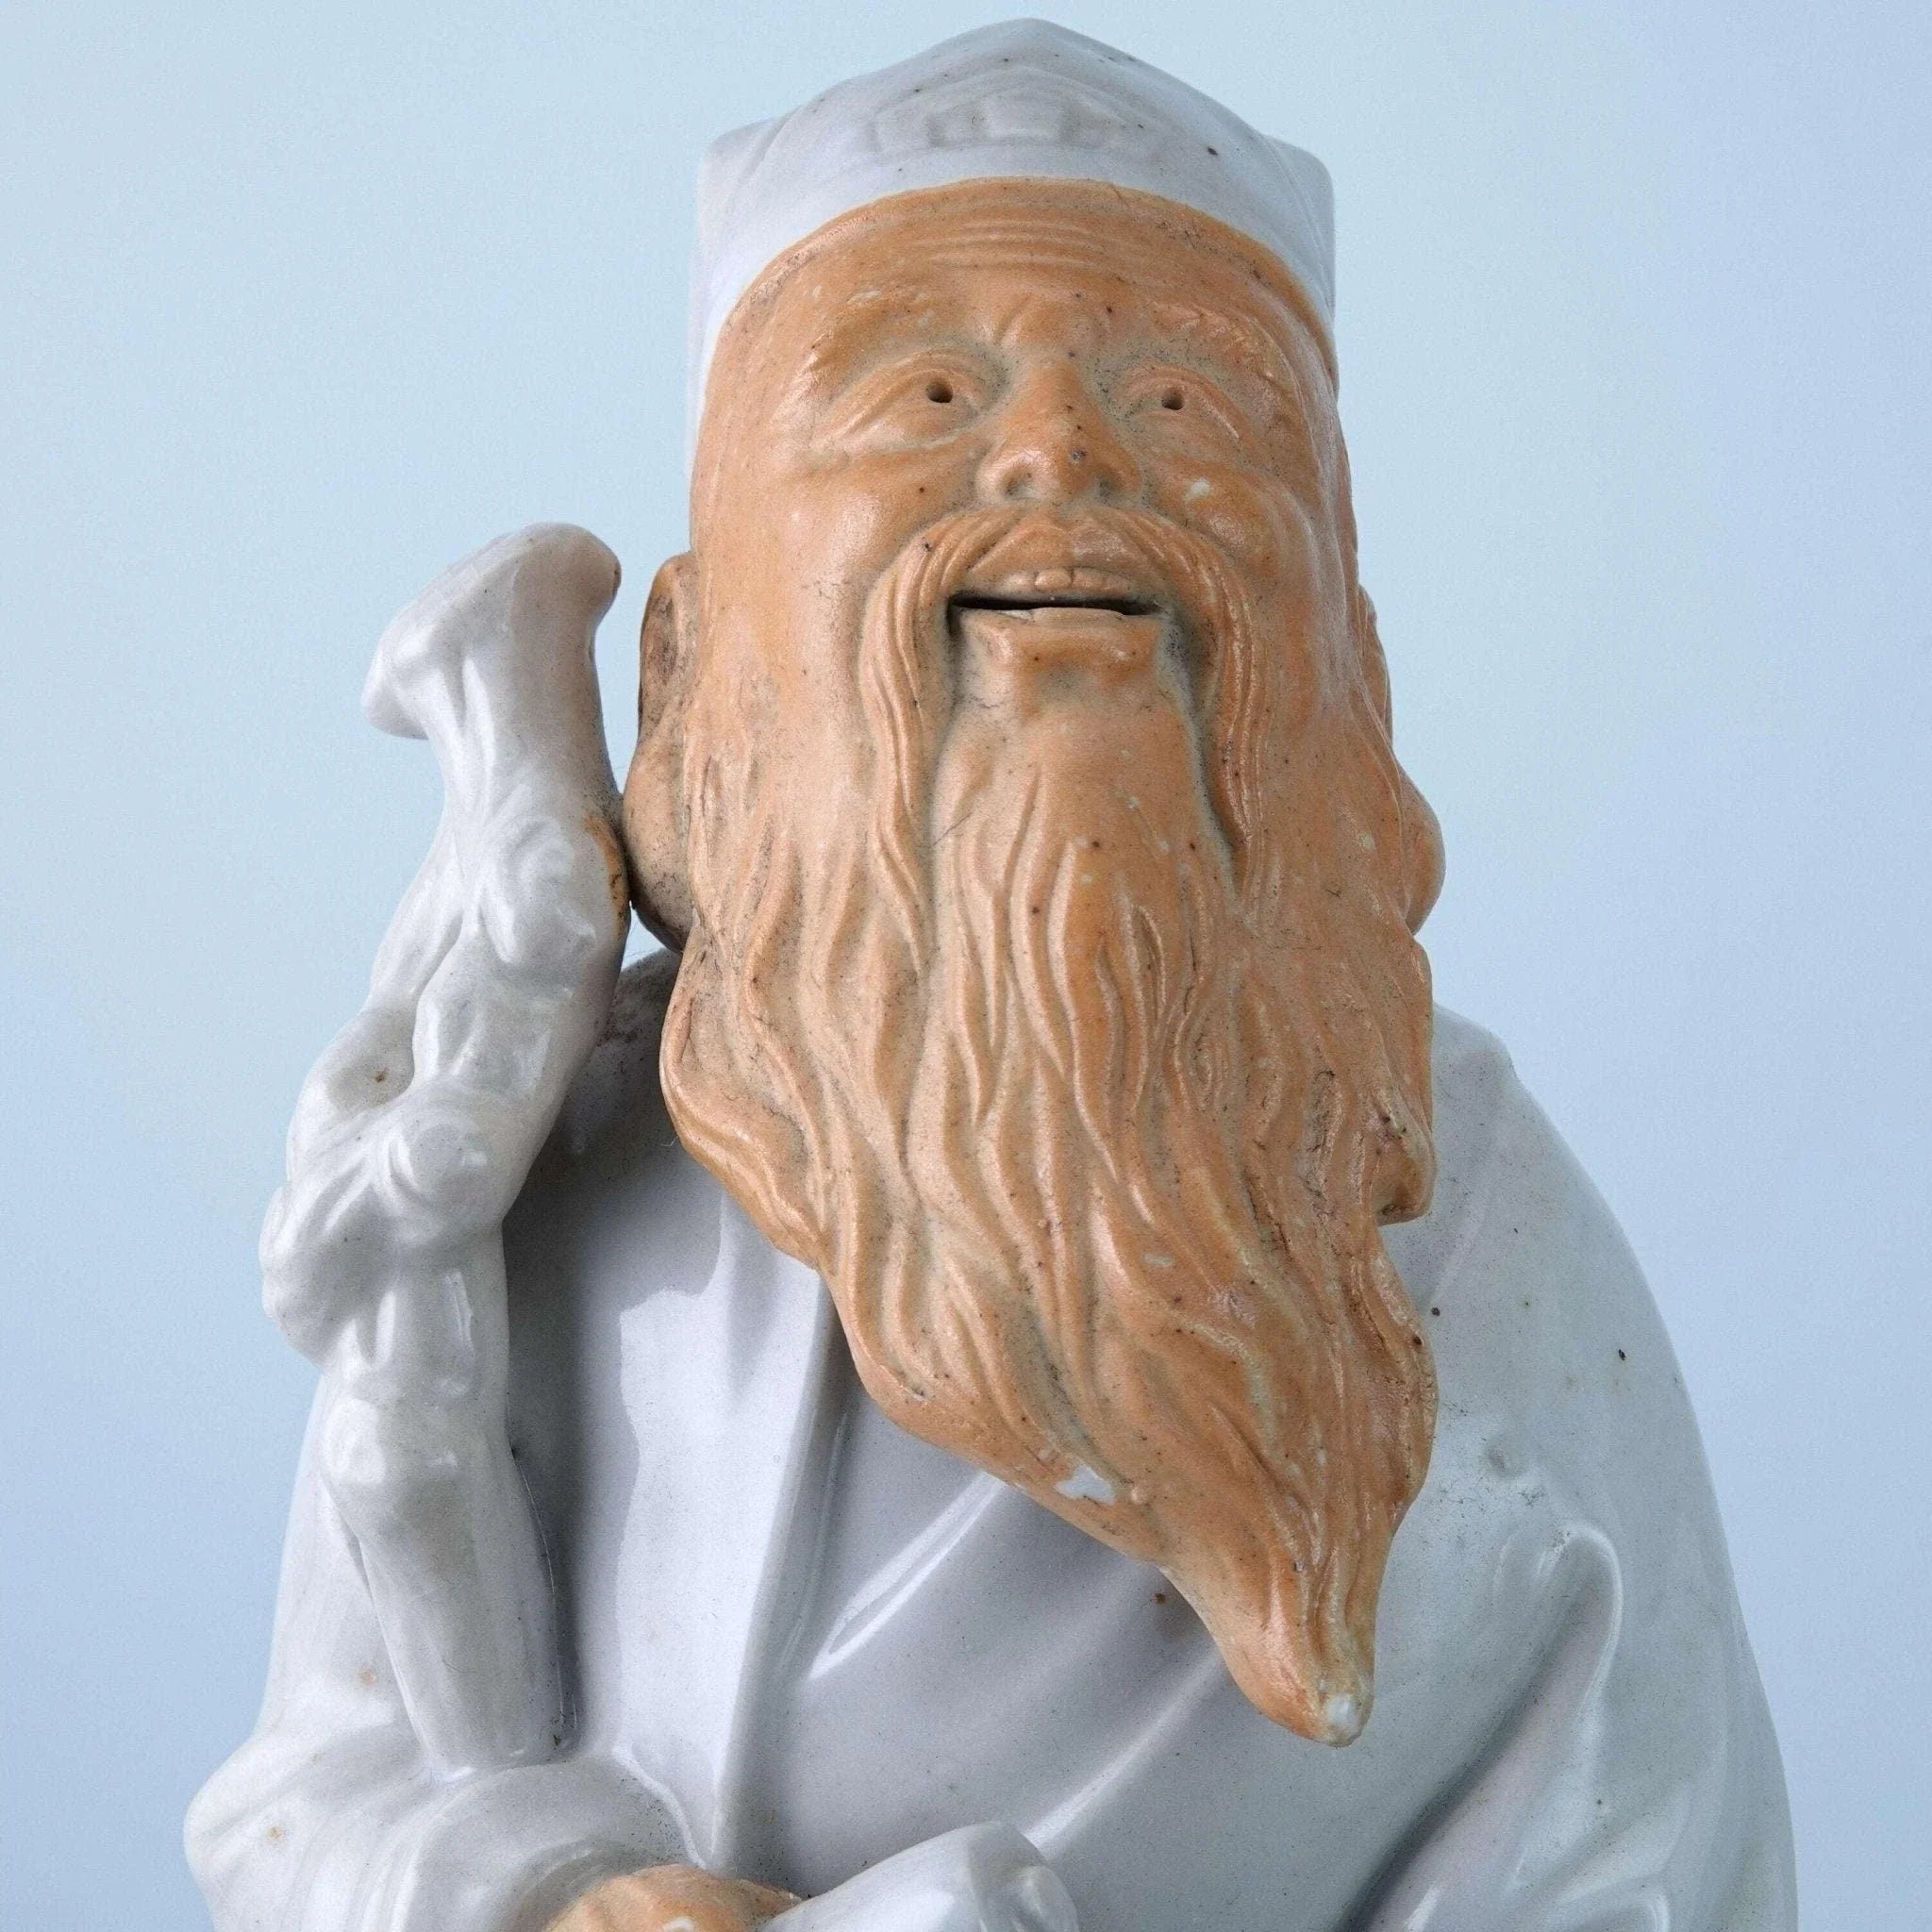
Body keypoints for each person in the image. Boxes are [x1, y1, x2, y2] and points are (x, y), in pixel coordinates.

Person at [190, 24, 1796, 1932]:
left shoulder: (1489, 1230)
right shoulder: (559, 1173)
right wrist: (548, 1898)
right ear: (690, 655)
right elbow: (314, 1793)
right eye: (927, 394)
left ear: (1347, 658)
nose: (1059, 458)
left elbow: (1651, 1861)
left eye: (1184, 405)